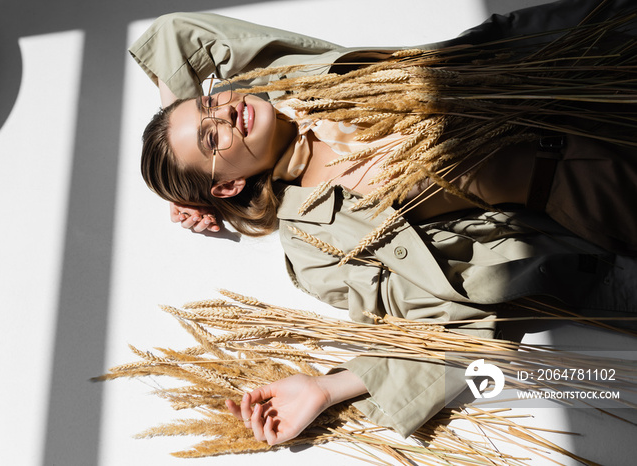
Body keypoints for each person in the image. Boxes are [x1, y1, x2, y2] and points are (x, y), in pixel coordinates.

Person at [130, 1, 637, 445]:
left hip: (570, 58)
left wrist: (187, 159)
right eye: (210, 139)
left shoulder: (279, 82)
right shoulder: (316, 241)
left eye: (208, 105)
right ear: (227, 187)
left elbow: (178, 31)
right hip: (595, 180)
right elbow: (443, 321)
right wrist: (328, 387)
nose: (224, 114)